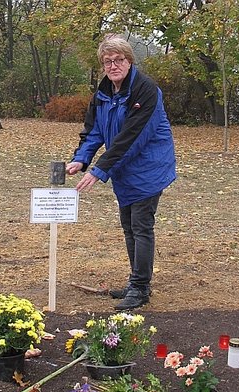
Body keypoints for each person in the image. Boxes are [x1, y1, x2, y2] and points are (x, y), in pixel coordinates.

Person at [66, 36, 176, 311]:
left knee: (140, 226)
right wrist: (81, 159)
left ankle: (140, 289)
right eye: (108, 62)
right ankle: (136, 282)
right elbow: (94, 132)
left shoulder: (146, 90)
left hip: (149, 167)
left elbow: (132, 137)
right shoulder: (103, 94)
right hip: (124, 168)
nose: (113, 66)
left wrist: (100, 170)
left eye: (119, 60)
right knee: (129, 226)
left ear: (129, 61)